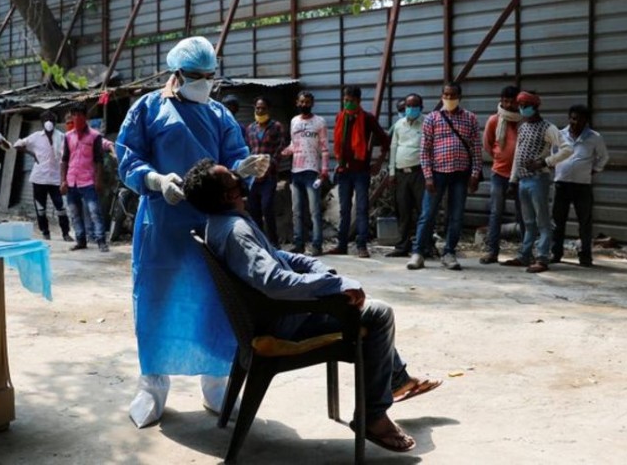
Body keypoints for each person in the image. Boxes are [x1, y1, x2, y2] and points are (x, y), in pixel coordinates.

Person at [184, 158, 445, 454]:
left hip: (270, 315)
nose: (236, 175)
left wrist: (315, 267)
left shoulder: (220, 223)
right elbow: (274, 281)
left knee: (360, 305)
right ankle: (373, 416)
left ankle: (396, 379)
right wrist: (333, 285)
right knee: (379, 313)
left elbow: (273, 257)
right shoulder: (235, 231)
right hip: (285, 322)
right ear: (227, 195)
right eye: (230, 177)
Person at [116, 36, 266, 429]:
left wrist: (244, 167)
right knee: (155, 299)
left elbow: (232, 155)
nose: (204, 82)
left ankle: (216, 382)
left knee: (214, 300)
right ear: (177, 75)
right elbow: (128, 157)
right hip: (162, 224)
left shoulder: (218, 114)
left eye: (209, 76)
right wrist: (153, 179)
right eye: (196, 76)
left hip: (211, 222)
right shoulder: (148, 109)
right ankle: (152, 384)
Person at [406, 83, 482, 271]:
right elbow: (425, 151)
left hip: (461, 174)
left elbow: (476, 149)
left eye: (453, 95)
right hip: (438, 173)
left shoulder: (470, 118)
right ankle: (418, 253)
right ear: (441, 96)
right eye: (446, 95)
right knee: (427, 214)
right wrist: (428, 177)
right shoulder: (432, 118)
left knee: (456, 215)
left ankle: (449, 253)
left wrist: (474, 174)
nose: (449, 98)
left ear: (459, 96)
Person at [502, 92, 573, 273]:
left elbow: (567, 149)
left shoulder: (548, 128)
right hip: (524, 180)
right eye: (520, 104)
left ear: (535, 106)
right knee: (528, 221)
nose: (522, 108)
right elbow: (518, 155)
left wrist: (545, 162)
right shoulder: (523, 126)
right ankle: (525, 255)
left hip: (538, 179)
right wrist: (513, 180)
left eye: (526, 104)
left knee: (542, 221)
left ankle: (542, 258)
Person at [329, 86, 390, 258]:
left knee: (362, 208)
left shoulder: (367, 119)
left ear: (358, 101)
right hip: (343, 170)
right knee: (344, 210)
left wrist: (378, 162)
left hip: (361, 172)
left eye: (351, 101)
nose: (347, 103)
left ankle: (361, 245)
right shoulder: (341, 117)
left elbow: (385, 141)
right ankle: (342, 245)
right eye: (345, 100)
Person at [550, 105, 609, 267]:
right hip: (561, 184)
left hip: (582, 186)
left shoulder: (594, 137)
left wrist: (594, 170)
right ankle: (555, 253)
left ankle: (585, 256)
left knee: (585, 223)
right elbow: (552, 154)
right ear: (569, 118)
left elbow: (603, 157)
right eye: (573, 118)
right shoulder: (560, 135)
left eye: (580, 119)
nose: (576, 122)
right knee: (557, 221)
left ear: (586, 121)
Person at [282, 91, 329, 255]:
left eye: (307, 102)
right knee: (297, 212)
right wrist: (283, 152)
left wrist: (324, 170)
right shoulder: (294, 121)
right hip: (296, 172)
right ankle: (299, 244)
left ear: (312, 103)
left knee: (314, 212)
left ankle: (317, 245)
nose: (304, 105)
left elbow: (324, 148)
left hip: (312, 172)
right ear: (297, 103)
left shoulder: (319, 122)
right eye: (302, 102)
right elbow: (293, 145)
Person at [480, 85, 523, 264]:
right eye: (505, 101)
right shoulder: (494, 120)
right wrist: (500, 156)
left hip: (522, 175)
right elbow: (488, 144)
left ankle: (525, 252)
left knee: (523, 215)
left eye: (512, 101)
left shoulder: (524, 120)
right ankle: (492, 251)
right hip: (499, 173)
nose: (508, 105)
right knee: (496, 213)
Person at [14, 111, 71, 241]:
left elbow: (66, 156)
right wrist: (32, 154)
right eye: (46, 119)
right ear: (42, 122)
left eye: (51, 119)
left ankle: (65, 233)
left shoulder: (61, 137)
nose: (49, 122)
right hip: (39, 178)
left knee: (60, 207)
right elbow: (17, 145)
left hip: (55, 178)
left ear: (55, 122)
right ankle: (45, 232)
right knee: (41, 208)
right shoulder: (35, 136)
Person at [60, 103, 108, 252]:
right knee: (74, 214)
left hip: (88, 180)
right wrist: (62, 181)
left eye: (79, 115)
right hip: (71, 180)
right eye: (74, 115)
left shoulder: (95, 136)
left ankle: (101, 241)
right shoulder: (68, 137)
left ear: (85, 117)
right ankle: (81, 240)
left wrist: (99, 180)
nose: (76, 118)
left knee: (94, 212)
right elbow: (65, 160)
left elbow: (99, 160)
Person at [386, 93, 425, 258]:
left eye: (413, 106)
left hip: (420, 173)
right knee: (403, 211)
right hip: (401, 173)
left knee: (423, 211)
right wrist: (392, 172)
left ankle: (424, 246)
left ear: (421, 108)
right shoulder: (399, 125)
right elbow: (393, 147)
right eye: (407, 107)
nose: (409, 110)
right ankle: (402, 246)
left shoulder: (427, 123)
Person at [244, 96, 285, 245]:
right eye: (258, 108)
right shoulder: (250, 129)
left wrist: (271, 163)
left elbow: (280, 148)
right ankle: (261, 243)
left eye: (263, 108)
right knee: (254, 211)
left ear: (269, 109)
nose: (260, 111)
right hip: (254, 178)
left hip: (269, 176)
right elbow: (248, 150)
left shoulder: (276, 126)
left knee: (267, 208)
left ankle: (274, 243)